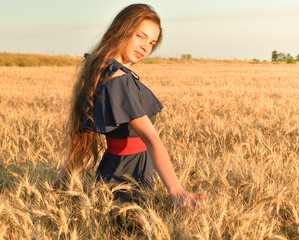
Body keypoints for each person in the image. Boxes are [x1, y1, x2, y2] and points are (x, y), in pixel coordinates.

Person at [53, 4, 206, 209]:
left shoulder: (100, 69)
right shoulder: (119, 80)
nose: (146, 47)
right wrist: (176, 190)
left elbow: (83, 136)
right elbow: (151, 138)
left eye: (152, 42)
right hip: (130, 174)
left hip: (113, 170)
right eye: (140, 36)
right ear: (121, 31)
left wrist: (60, 181)